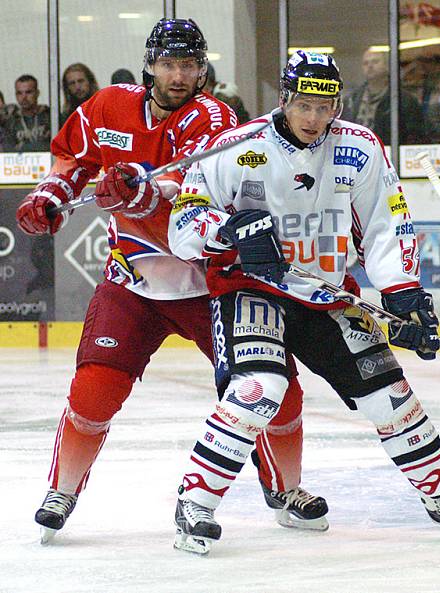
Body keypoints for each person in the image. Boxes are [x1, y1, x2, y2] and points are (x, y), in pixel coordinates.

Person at [168, 50, 440, 553]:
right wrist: (228, 232)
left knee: (389, 395)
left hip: (327, 291)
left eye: (326, 107)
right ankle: (195, 501)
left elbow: (388, 221)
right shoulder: (235, 147)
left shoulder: (359, 147)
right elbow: (183, 226)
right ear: (284, 99)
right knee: (260, 387)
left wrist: (403, 292)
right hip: (252, 288)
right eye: (304, 104)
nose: (314, 118)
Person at [16, 18, 325, 544]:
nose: (179, 75)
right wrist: (52, 195)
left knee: (275, 391)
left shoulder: (216, 118)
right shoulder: (109, 105)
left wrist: (141, 194)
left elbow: (190, 191)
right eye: (169, 64)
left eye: (190, 65)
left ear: (203, 70)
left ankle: (286, 488)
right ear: (150, 65)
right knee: (93, 391)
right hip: (132, 281)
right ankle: (63, 489)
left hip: (212, 285)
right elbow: (73, 155)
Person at [341, 48, 426, 145]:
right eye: (366, 63)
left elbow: (415, 135)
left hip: (390, 153)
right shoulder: (352, 100)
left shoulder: (404, 100)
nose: (370, 66)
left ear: (387, 66)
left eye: (375, 62)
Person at [2, 74, 50, 151]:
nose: (24, 97)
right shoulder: (11, 121)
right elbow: (9, 150)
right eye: (19, 93)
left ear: (37, 93)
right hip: (19, 163)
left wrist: (22, 147)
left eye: (28, 92)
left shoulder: (50, 116)